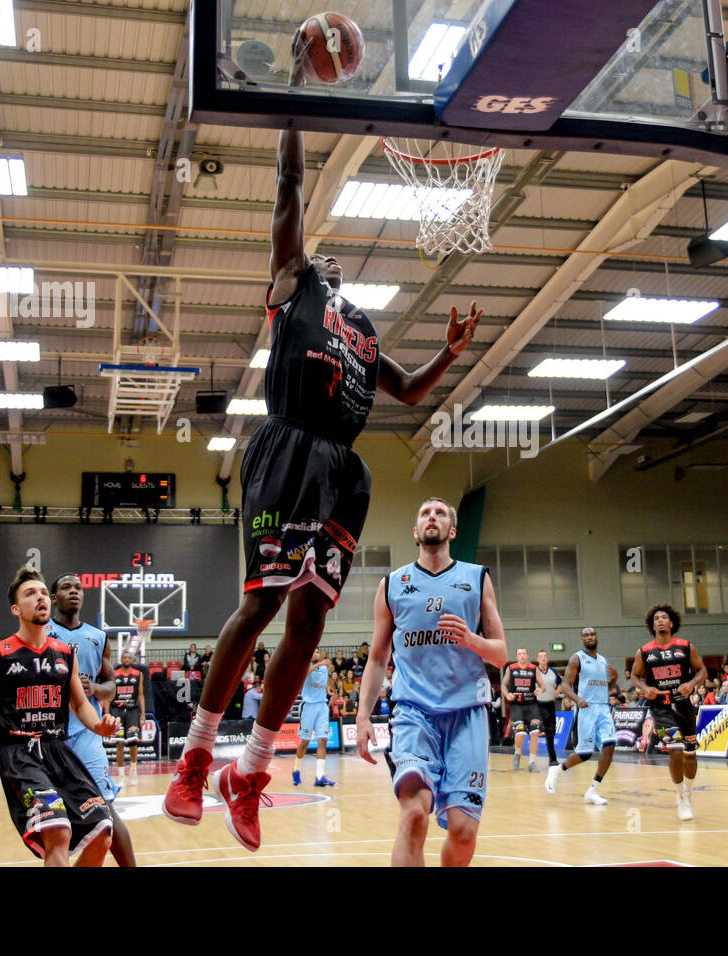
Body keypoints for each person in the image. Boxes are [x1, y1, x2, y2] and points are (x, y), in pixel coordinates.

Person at [162, 35, 482, 846]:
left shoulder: (365, 332)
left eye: (331, 260)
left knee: (309, 625)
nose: (325, 257)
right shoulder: (294, 285)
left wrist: (449, 351)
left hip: (345, 470)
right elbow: (290, 183)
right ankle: (197, 759)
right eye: (317, 253)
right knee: (262, 602)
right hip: (289, 448)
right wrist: (299, 91)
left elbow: (407, 393)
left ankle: (251, 770)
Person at [357, 496, 507, 867]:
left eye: (440, 513)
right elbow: (378, 658)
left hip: (467, 713)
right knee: (413, 812)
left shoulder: (477, 577)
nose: (432, 517)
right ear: (416, 530)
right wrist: (363, 716)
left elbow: (501, 653)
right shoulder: (392, 584)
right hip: (413, 712)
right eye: (425, 513)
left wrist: (471, 640)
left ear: (452, 530)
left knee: (463, 832)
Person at [0, 566, 117, 866]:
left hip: (59, 752)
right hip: (21, 757)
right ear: (17, 608)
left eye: (44, 592)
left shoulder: (64, 653)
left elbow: (80, 704)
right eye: (31, 593)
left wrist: (99, 725)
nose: (41, 597)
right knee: (57, 831)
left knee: (103, 831)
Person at [46, 572, 136, 868]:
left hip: (86, 733)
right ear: (54, 596)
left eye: (78, 587)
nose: (74, 591)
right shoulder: (40, 632)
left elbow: (111, 684)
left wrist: (95, 689)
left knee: (105, 811)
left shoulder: (98, 637)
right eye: (66, 587)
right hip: (48, 735)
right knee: (53, 822)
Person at [631, 603, 707, 821]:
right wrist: (645, 688)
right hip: (661, 706)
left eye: (664, 617)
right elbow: (635, 676)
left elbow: (702, 670)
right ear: (652, 625)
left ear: (671, 623)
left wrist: (691, 683)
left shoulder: (685, 647)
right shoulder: (644, 651)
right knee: (675, 750)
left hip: (683, 704)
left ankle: (688, 792)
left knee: (690, 754)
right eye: (656, 619)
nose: (660, 621)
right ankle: (680, 796)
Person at [546, 626, 619, 805]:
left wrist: (615, 679)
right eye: (586, 635)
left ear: (597, 637)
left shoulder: (603, 661)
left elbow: (607, 687)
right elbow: (565, 686)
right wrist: (577, 699)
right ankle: (557, 769)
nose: (590, 637)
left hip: (603, 709)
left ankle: (592, 791)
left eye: (592, 634)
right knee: (585, 754)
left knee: (610, 747)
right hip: (586, 709)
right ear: (582, 639)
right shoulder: (576, 658)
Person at [291, 650, 336, 788]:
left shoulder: (323, 668)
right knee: (305, 741)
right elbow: (305, 674)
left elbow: (328, 678)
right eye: (314, 652)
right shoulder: (305, 666)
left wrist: (333, 691)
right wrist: (321, 663)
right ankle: (296, 770)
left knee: (323, 740)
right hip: (309, 706)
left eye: (317, 651)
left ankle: (320, 776)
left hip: (322, 706)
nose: (316, 653)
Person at [502, 648, 543, 771]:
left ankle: (532, 763)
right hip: (517, 706)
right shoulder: (511, 668)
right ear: (516, 656)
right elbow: (504, 685)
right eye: (519, 654)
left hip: (532, 706)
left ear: (527, 655)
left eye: (524, 653)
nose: (522, 656)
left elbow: (543, 685)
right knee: (520, 734)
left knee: (535, 733)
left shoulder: (533, 668)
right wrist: (507, 694)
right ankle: (517, 753)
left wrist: (540, 690)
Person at [112, 651, 146, 784]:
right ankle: (121, 776)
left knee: (133, 743)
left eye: (128, 657)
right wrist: (107, 713)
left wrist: (143, 714)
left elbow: (141, 695)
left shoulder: (138, 674)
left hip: (132, 711)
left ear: (132, 660)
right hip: (117, 711)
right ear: (121, 659)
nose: (126, 659)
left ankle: (133, 771)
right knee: (119, 744)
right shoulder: (114, 675)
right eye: (124, 657)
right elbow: (109, 696)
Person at [533, 649, 562, 772]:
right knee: (546, 730)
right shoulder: (534, 672)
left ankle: (552, 759)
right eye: (541, 656)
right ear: (537, 659)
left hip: (550, 703)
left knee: (551, 731)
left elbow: (560, 684)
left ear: (548, 659)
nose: (543, 658)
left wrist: (557, 691)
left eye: (545, 656)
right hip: (538, 704)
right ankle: (549, 759)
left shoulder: (553, 671)